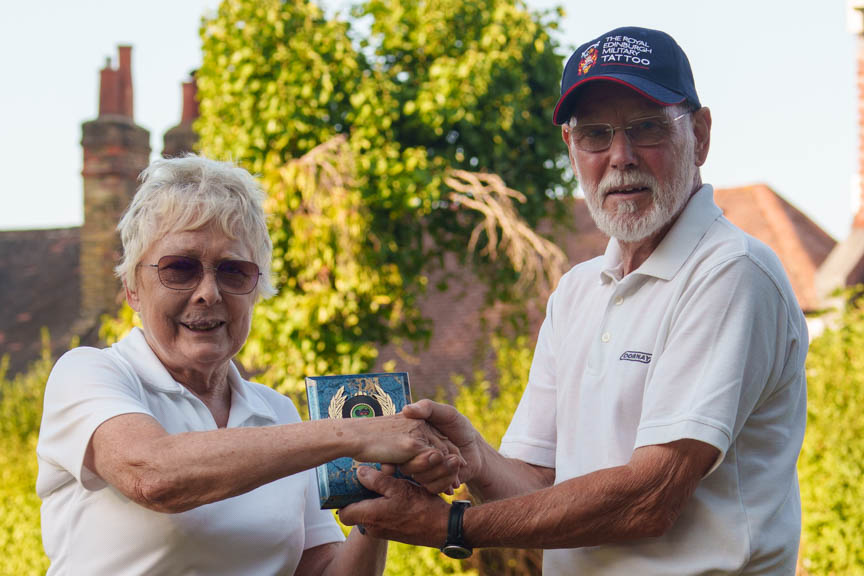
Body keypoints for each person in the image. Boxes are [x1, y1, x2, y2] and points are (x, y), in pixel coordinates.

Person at [339, 26, 808, 575]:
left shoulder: (731, 271)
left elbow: (650, 497)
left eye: (647, 128)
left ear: (700, 136)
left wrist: (450, 526)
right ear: (571, 147)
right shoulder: (579, 290)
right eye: (595, 135)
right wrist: (475, 458)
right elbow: (536, 485)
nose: (620, 156)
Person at [35, 155, 463, 576]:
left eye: (233, 271)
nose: (208, 292)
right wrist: (358, 434)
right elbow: (152, 475)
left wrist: (382, 494)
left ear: (256, 290)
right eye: (179, 268)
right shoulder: (88, 374)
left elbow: (321, 570)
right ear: (132, 288)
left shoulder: (277, 413)